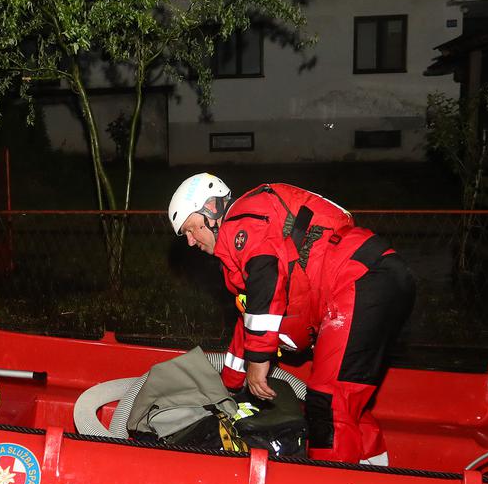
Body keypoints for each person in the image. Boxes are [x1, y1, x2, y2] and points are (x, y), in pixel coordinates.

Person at [168, 173, 415, 466]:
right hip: (376, 277)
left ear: (211, 209)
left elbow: (266, 275)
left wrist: (258, 362)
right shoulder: (245, 247)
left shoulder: (239, 222)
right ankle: (374, 476)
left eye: (191, 229)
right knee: (347, 397)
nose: (191, 242)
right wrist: (229, 388)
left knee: (327, 402)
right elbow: (250, 321)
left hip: (361, 280)